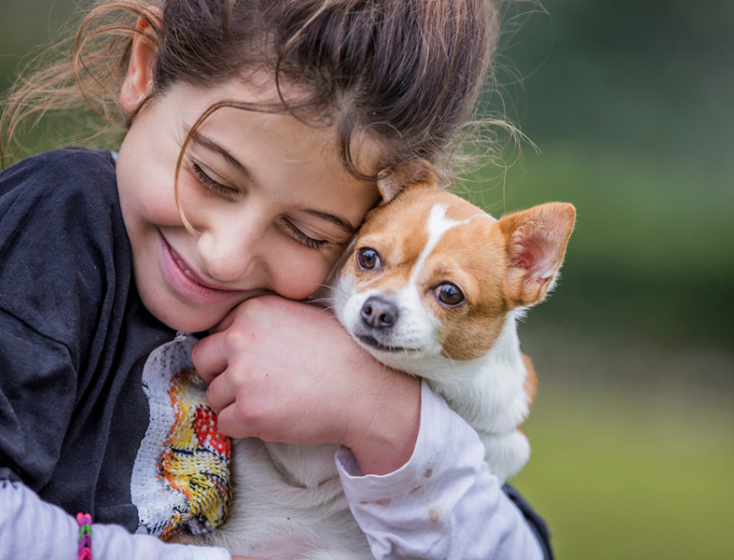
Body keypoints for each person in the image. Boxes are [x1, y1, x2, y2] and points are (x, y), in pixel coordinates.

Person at [0, 1, 553, 559]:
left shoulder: (350, 331)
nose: (226, 257)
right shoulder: (60, 222)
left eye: (307, 232)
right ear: (144, 67)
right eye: (211, 177)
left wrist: (385, 419)